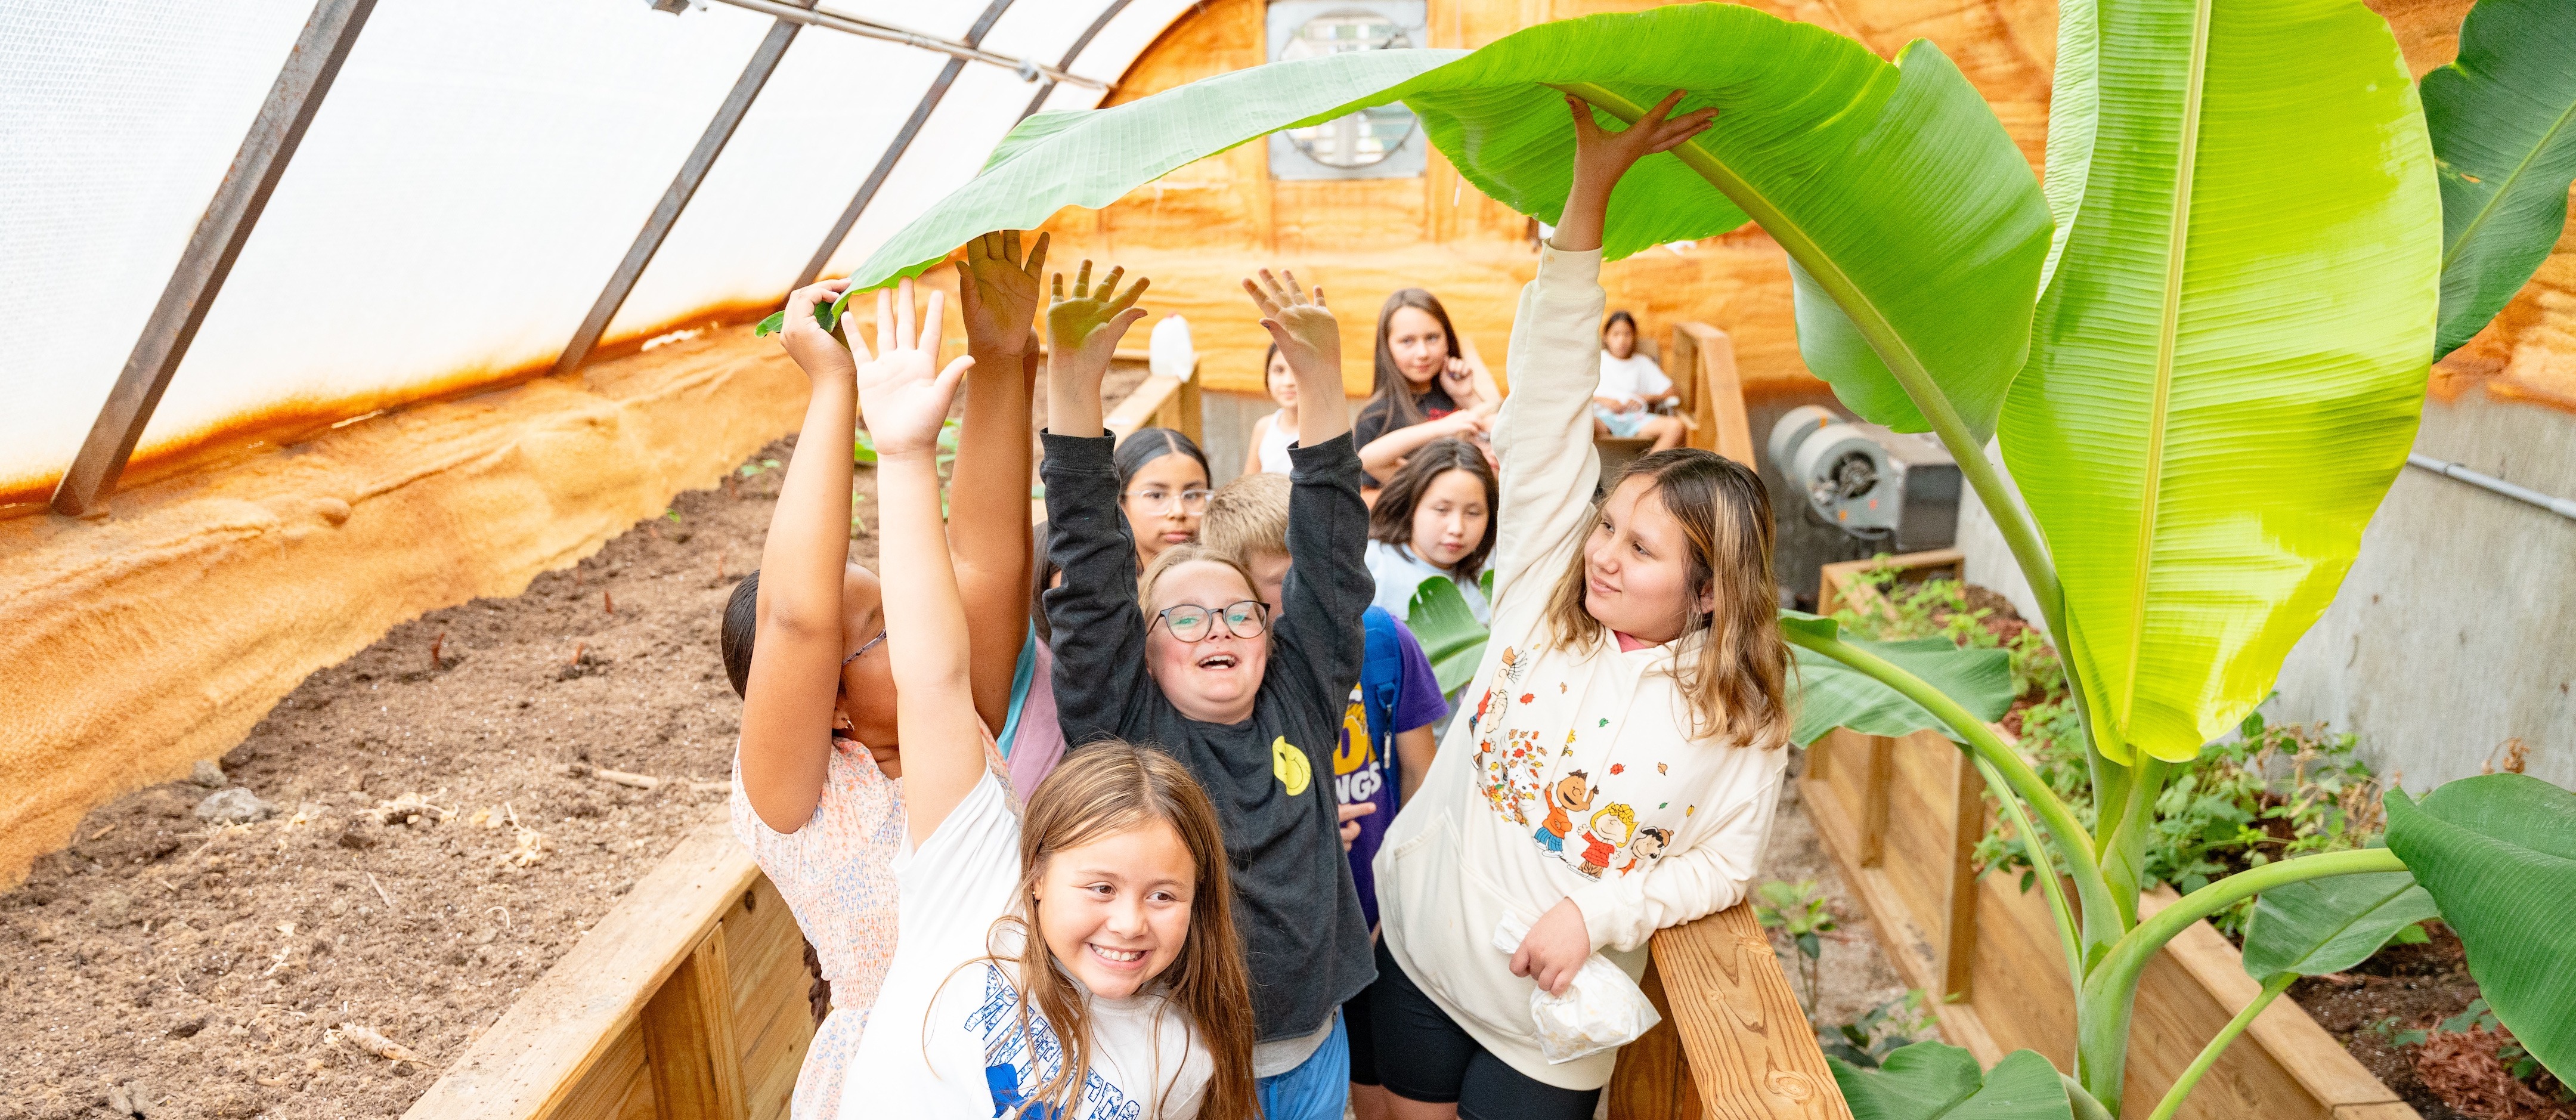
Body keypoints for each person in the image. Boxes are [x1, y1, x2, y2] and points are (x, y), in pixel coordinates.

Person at [1368, 91, 1793, 1120]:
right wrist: (1586, 199)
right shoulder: (1542, 594)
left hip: (1549, 1022)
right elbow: (1554, 398)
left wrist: (1602, 909)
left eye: (1639, 548)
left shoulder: (1743, 706)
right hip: (1423, 957)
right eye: (1608, 524)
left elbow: (1725, 864)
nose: (1601, 553)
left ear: (1707, 593)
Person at [828, 277, 1258, 1120]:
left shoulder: (1182, 1053)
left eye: (1164, 894)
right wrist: (908, 457)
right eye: (1099, 886)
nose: (1131, 922)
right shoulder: (971, 885)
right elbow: (936, 680)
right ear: (1033, 876)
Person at [717, 231, 1051, 1119]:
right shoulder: (799, 802)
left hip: (1027, 1060)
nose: (914, 622)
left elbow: (985, 559)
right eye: (875, 630)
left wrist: (1002, 356)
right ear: (823, 703)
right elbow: (799, 613)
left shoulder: (956, 721)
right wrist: (834, 388)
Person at [1042, 261, 1376, 1120]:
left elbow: (1333, 552)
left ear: (1273, 632)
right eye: (1185, 618)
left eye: (1239, 612)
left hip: (1313, 1048)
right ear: (1141, 650)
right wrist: (1074, 384)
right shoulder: (1128, 723)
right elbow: (1090, 563)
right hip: (1177, 1060)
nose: (1219, 627)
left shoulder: (1299, 695)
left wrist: (1321, 381)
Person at [1199, 471, 1448, 1120]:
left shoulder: (1384, 639)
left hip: (1381, 910)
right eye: (1289, 579)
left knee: (1374, 1074)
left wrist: (1397, 897)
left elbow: (1422, 775)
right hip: (1279, 943)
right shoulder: (1215, 675)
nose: (1317, 592)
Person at [1352, 289, 1501, 484]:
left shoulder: (1460, 397)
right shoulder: (1376, 416)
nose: (1423, 353)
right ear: (1387, 348)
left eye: (1432, 338)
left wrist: (1467, 397)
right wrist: (1442, 428)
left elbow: (1510, 448)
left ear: (1448, 340)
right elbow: (1367, 492)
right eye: (1407, 341)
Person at [1364, 438, 1497, 629]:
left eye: (1473, 513)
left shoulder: (1494, 571)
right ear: (1412, 505)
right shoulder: (1371, 566)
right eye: (1442, 510)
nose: (1457, 529)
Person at [1117, 426, 1212, 572]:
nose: (1179, 512)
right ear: (1120, 501)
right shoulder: (1099, 587)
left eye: (1192, 495)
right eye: (1156, 496)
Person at [1593, 311, 1686, 451]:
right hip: (1602, 420)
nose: (1622, 340)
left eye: (1627, 334)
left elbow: (1673, 392)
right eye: (1616, 334)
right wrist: (1604, 401)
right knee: (1581, 424)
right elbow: (1574, 393)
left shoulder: (1643, 363)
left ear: (1634, 336)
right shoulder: (1596, 360)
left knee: (1676, 426)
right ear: (1606, 337)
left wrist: (1646, 398)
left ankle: (1644, 471)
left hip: (1636, 420)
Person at [1244, 343, 1299, 476]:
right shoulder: (1263, 428)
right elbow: (1248, 486)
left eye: (1298, 371)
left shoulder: (1327, 431)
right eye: (1279, 370)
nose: (1288, 382)